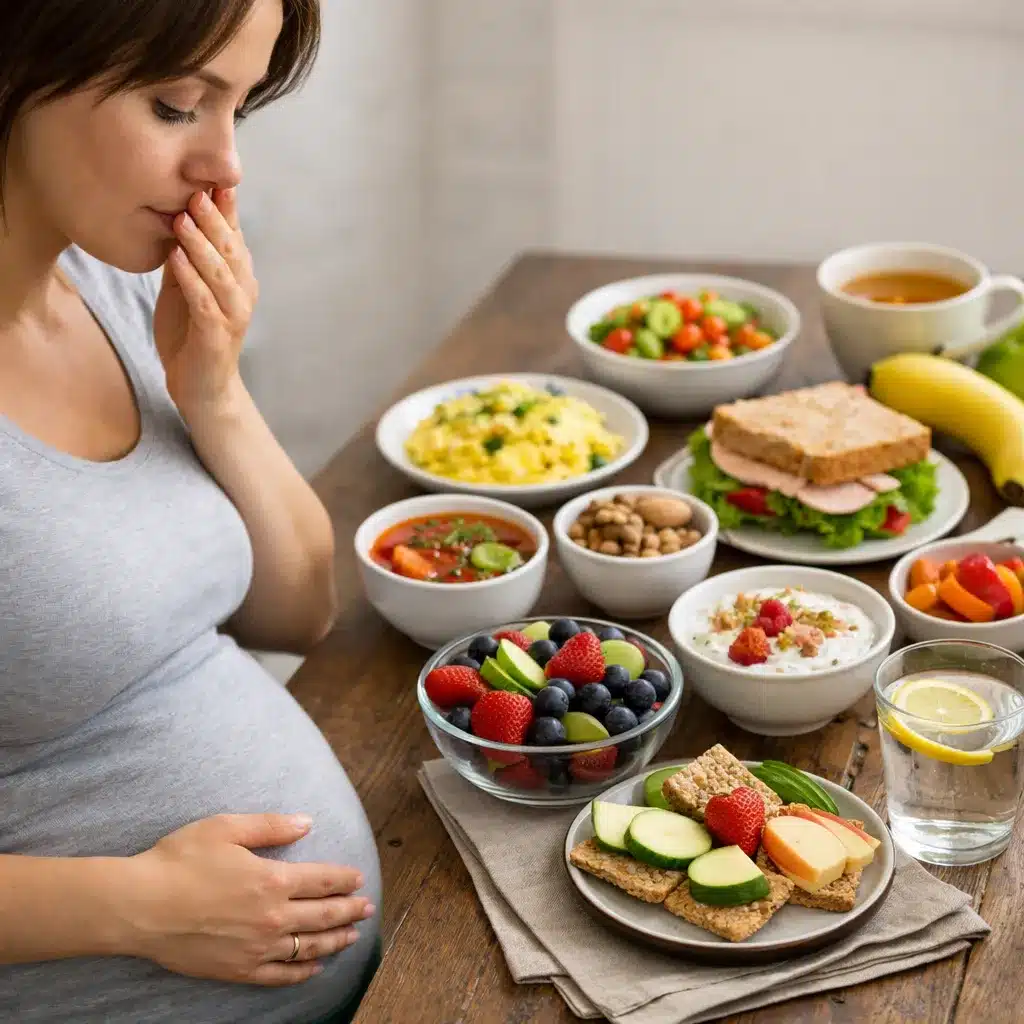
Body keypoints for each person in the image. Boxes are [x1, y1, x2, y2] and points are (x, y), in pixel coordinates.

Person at [0, 1, 383, 1021]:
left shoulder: (113, 288)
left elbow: (297, 612)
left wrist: (213, 390)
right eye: (176, 106)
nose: (224, 166)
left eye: (237, 110)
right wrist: (137, 909)